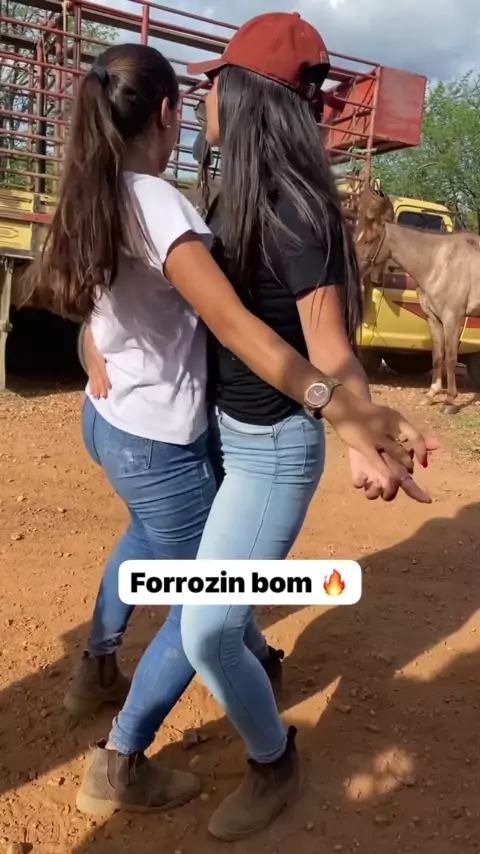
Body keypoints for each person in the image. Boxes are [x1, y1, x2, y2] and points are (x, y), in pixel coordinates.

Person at [32, 20, 435, 840]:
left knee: (206, 623)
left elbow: (328, 349)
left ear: (250, 95)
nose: (203, 95)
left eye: (217, 81)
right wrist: (93, 343)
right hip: (218, 432)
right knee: (202, 590)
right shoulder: (221, 194)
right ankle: (214, 677)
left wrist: (358, 431)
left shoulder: (299, 214)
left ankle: (266, 759)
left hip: (271, 453)